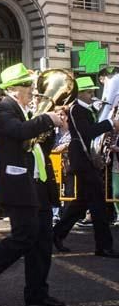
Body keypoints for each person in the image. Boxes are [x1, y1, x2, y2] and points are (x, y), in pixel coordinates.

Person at [0, 63, 66, 306]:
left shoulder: (23, 109)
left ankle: (36, 294)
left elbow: (40, 145)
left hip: (36, 182)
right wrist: (46, 118)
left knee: (42, 240)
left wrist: (54, 124)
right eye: (27, 85)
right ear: (12, 88)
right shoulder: (3, 109)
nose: (32, 89)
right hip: (18, 184)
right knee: (24, 236)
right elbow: (19, 132)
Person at [52, 76, 119, 257]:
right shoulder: (76, 110)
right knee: (97, 204)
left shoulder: (85, 109)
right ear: (80, 93)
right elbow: (87, 133)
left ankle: (56, 234)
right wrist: (110, 123)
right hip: (83, 160)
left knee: (80, 203)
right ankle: (103, 246)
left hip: (85, 159)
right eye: (89, 92)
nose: (92, 95)